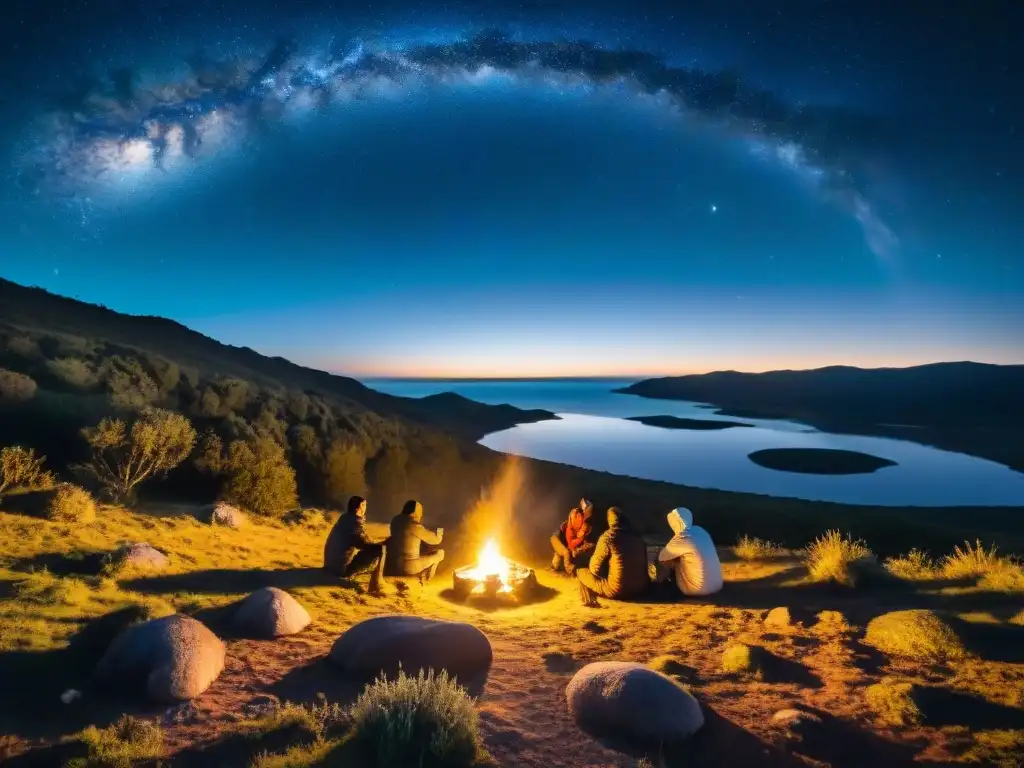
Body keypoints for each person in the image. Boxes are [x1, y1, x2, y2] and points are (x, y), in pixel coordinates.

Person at [576, 506, 649, 605]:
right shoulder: (638, 537)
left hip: (617, 589)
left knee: (581, 572)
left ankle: (588, 600)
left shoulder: (608, 537)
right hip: (640, 588)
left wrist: (604, 574)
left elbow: (594, 568)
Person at [323, 495, 389, 594]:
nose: (366, 508)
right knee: (380, 550)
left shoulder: (345, 519)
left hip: (330, 565)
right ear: (359, 507)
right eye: (365, 505)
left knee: (376, 548)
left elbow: (360, 540)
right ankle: (376, 584)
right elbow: (364, 544)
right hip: (340, 569)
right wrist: (382, 544)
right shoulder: (354, 524)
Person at [655, 507, 723, 597]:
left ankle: (660, 587)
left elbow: (662, 557)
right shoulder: (700, 530)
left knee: (663, 560)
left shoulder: (682, 536)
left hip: (697, 590)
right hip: (717, 586)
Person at [387, 499, 445, 582]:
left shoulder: (395, 520)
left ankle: (421, 575)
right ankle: (426, 579)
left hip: (395, 564)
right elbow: (435, 541)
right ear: (414, 512)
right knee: (440, 553)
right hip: (409, 566)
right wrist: (440, 533)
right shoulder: (414, 525)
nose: (421, 514)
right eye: (420, 511)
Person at [550, 503, 596, 575]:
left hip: (566, 542)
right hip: (556, 539)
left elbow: (582, 539)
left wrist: (582, 544)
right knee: (565, 552)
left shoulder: (584, 524)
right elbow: (571, 542)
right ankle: (569, 571)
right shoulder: (573, 518)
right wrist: (575, 548)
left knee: (567, 552)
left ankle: (555, 568)